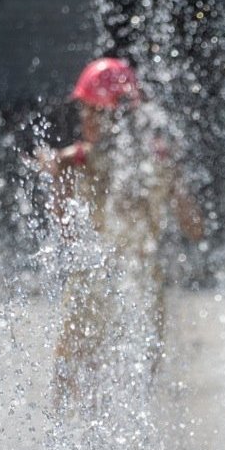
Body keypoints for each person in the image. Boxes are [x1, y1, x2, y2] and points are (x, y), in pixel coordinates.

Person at [39, 57, 204, 410]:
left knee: (70, 393)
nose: (82, 120)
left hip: (93, 282)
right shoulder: (159, 161)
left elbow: (64, 230)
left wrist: (57, 175)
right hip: (144, 283)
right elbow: (194, 228)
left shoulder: (76, 159)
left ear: (98, 112)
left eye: (85, 110)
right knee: (132, 400)